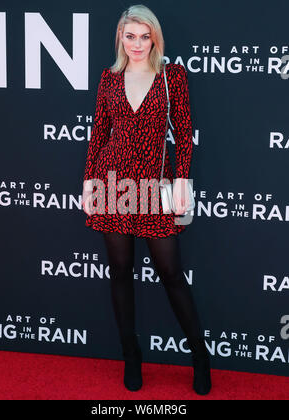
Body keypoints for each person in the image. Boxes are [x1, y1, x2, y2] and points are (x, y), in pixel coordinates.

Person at [82, 4, 211, 395]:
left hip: (154, 187)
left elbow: (185, 132)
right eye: (130, 35)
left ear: (154, 37)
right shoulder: (109, 78)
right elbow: (99, 132)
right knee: (120, 271)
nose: (137, 43)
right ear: (120, 38)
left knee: (171, 274)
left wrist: (184, 180)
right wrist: (89, 182)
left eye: (144, 35)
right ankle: (130, 354)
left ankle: (200, 356)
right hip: (111, 185)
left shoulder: (172, 76)